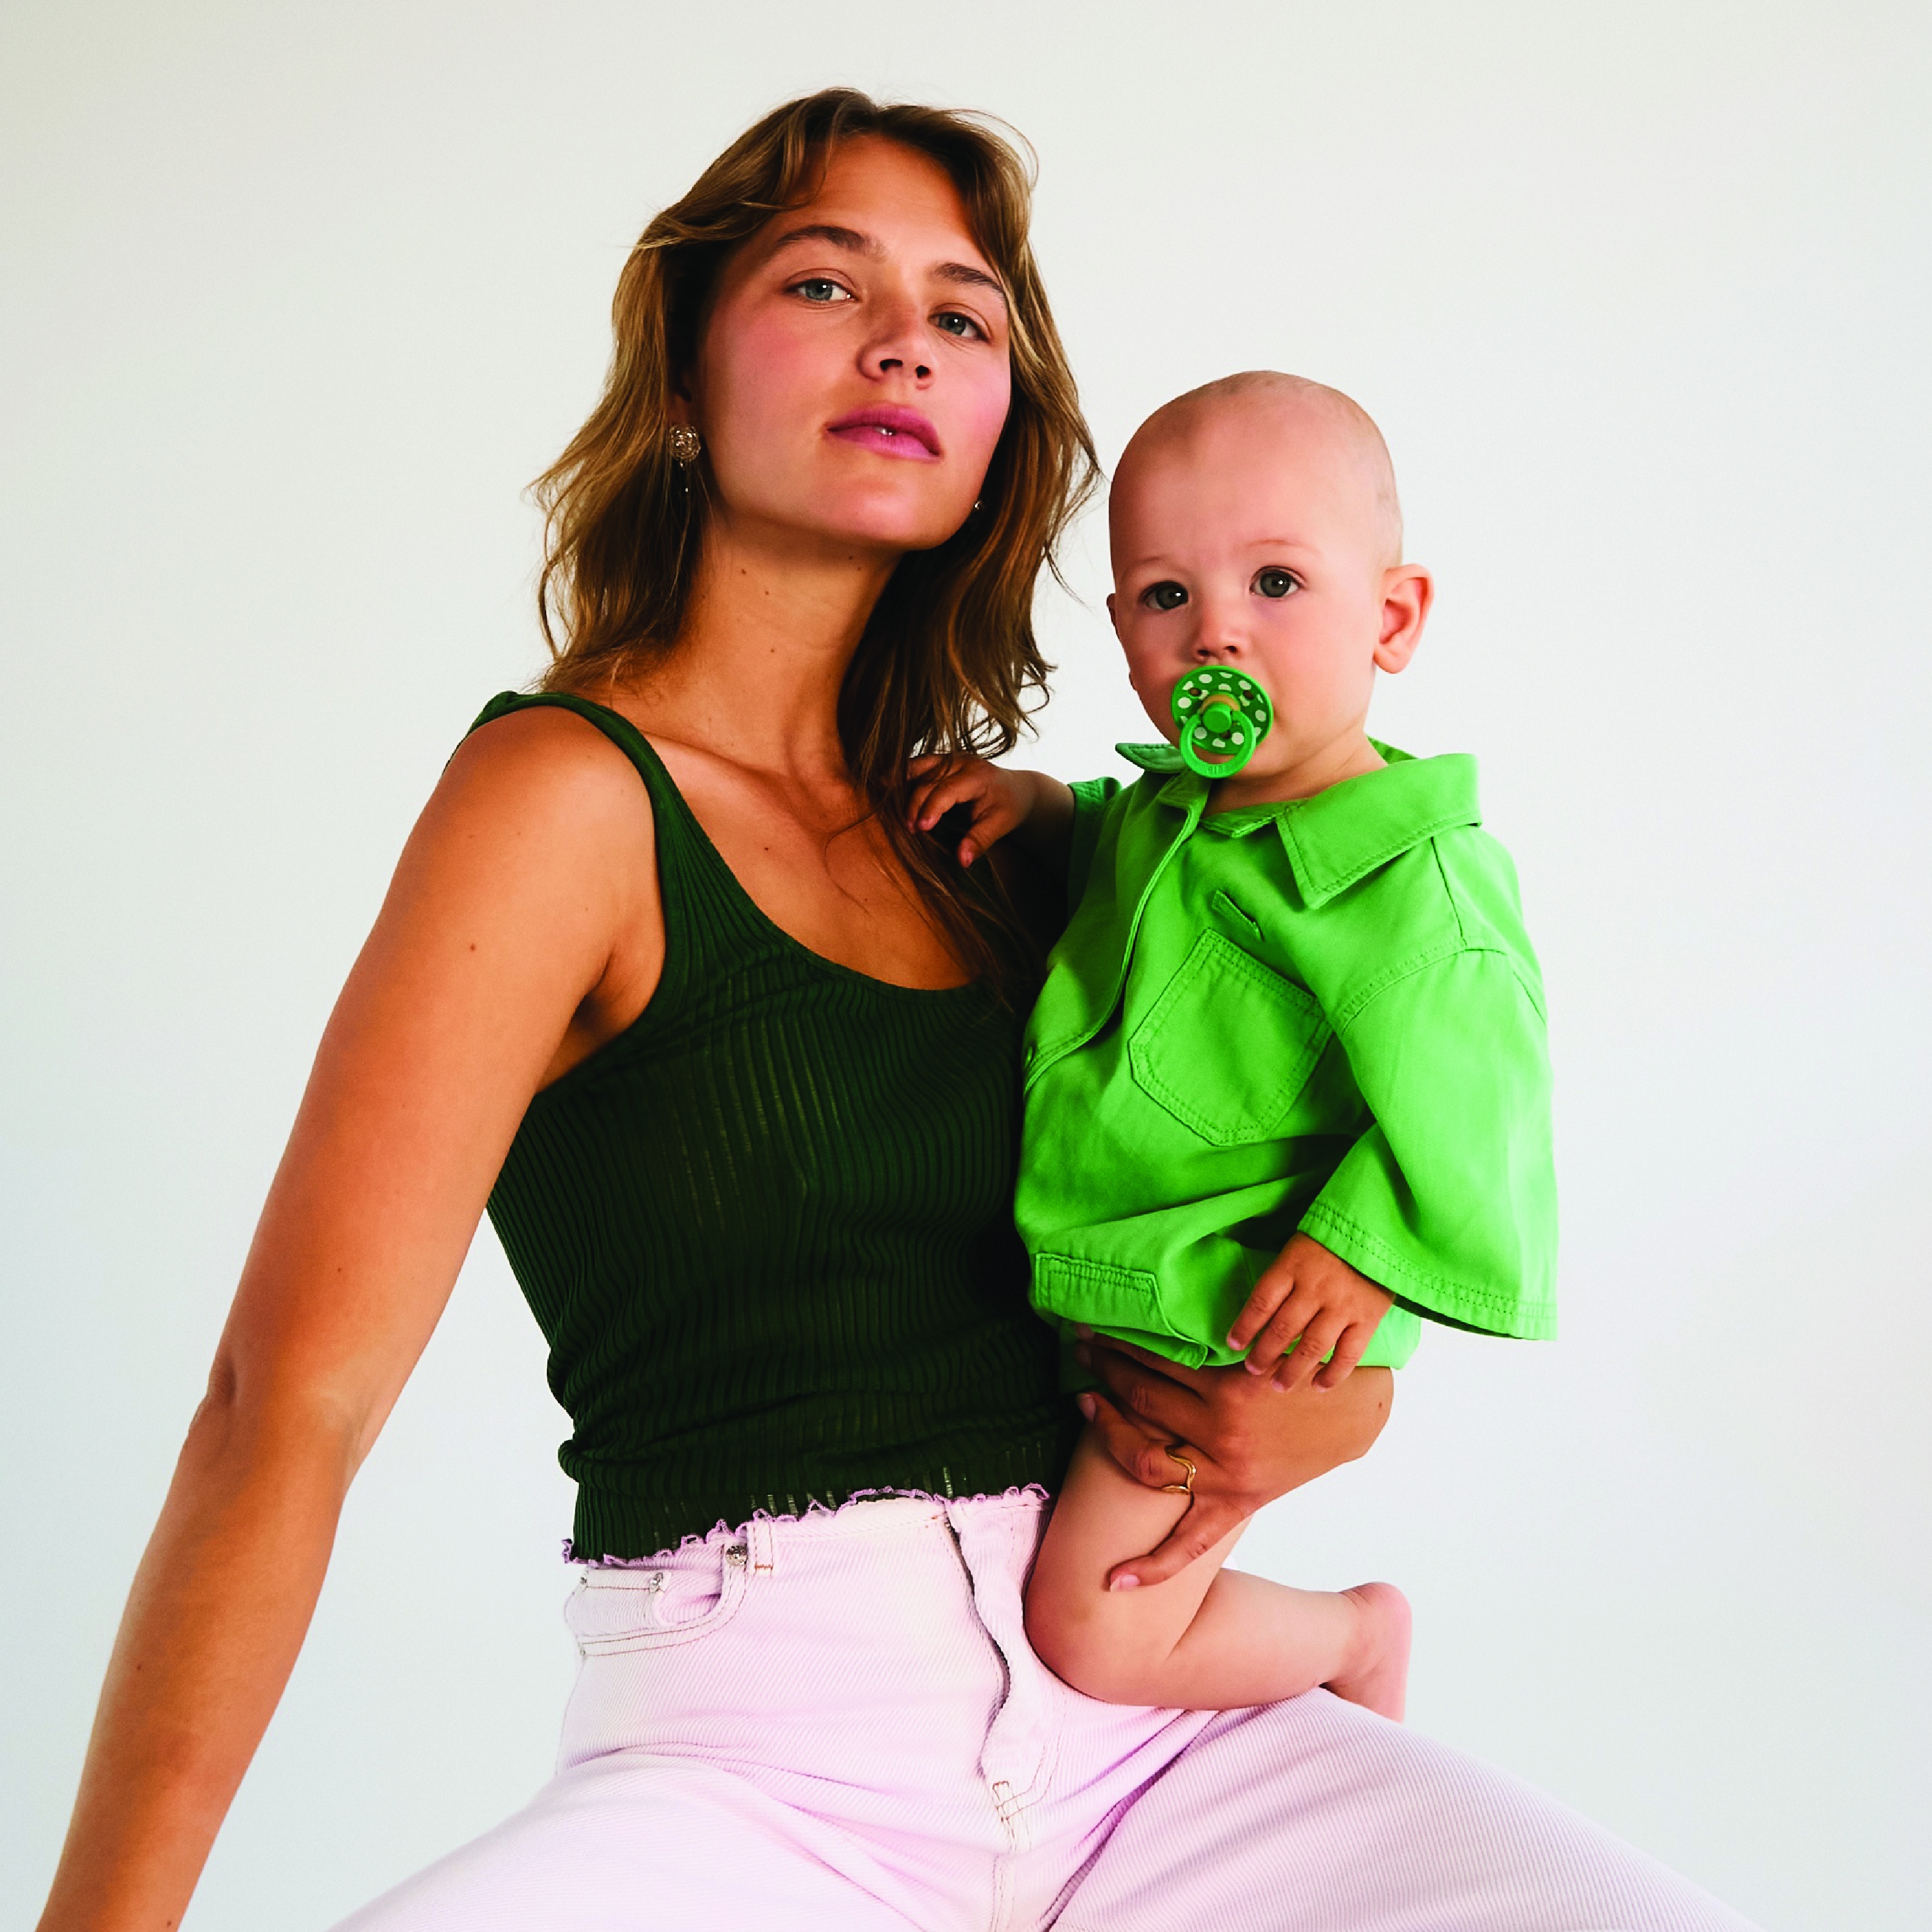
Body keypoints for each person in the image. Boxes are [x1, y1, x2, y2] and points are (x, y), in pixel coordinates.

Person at [35, 90, 1761, 1932]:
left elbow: (1326, 1152)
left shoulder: (1020, 845)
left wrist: (1324, 1414)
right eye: (822, 283)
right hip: (752, 1775)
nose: (902, 343)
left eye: (962, 314)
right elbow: (278, 1411)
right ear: (685, 371)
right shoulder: (562, 803)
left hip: (1151, 1736)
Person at [910, 372, 1554, 1719]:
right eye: (1166, 596)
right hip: (1108, 1274)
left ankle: (1351, 1637)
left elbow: (1484, 1105)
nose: (1216, 634)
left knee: (1096, 1629)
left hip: (1223, 1316)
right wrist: (1044, 810)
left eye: (1276, 583)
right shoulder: (1181, 807)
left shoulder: (1412, 890)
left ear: (1391, 618)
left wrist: (1362, 1250)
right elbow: (1136, 856)